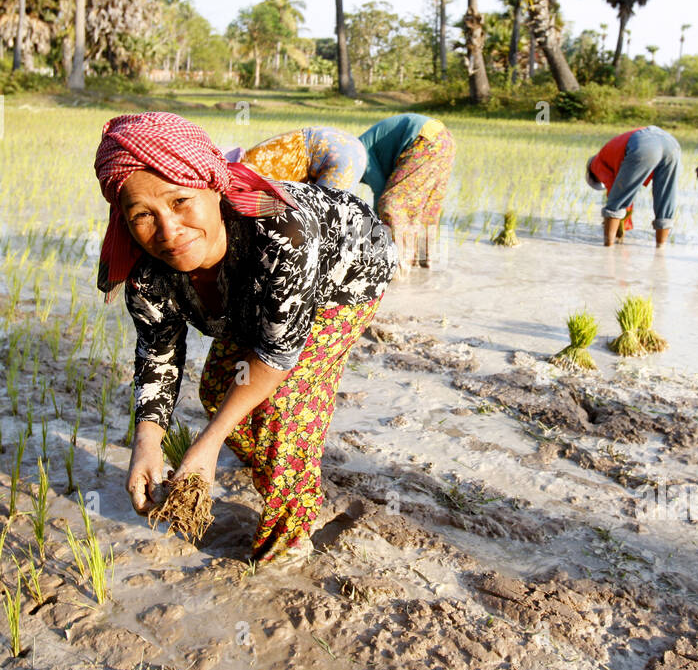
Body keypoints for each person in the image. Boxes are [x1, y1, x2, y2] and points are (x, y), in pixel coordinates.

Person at [95, 112, 399, 568]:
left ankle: (288, 542)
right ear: (124, 219)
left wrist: (208, 444)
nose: (168, 231)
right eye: (143, 215)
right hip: (257, 296)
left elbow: (276, 354)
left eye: (180, 201)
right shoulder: (143, 269)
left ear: (215, 187)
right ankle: (290, 478)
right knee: (218, 390)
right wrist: (147, 441)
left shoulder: (282, 233)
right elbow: (158, 352)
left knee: (281, 411)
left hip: (345, 274)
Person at [359, 113, 456, 273]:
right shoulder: (354, 151)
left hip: (424, 141)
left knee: (391, 204)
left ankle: (396, 267)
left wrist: (372, 240)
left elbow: (381, 195)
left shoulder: (358, 154)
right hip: (444, 140)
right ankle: (422, 265)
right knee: (425, 208)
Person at [585, 125, 680, 248]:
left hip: (644, 143)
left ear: (593, 176)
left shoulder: (595, 164)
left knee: (616, 203)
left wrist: (618, 222)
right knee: (665, 198)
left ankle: (608, 247)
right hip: (671, 143)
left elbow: (616, 192)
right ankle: (660, 249)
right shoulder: (610, 154)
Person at [239, 125, 368, 192]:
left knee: (323, 211)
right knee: (331, 212)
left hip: (338, 154)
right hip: (349, 148)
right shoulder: (251, 160)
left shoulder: (246, 174)